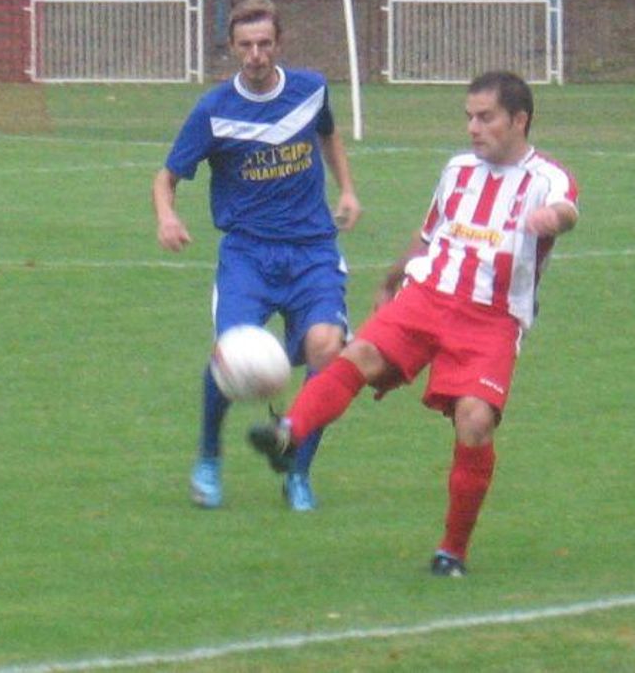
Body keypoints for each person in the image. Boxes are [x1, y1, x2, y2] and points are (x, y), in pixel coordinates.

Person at [248, 70, 579, 576]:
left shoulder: (547, 177)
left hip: (492, 319)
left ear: (519, 120)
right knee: (356, 354)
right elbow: (430, 235)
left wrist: (551, 220)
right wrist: (393, 278)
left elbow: (566, 210)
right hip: (426, 297)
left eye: (485, 117)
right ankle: (290, 433)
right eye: (469, 116)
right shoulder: (457, 170)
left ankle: (452, 551)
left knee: (475, 422)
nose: (473, 127)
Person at [152, 0, 361, 512]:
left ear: (279, 44)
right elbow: (167, 177)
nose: (256, 54)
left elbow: (328, 136)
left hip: (312, 249)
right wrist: (167, 215)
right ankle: (208, 457)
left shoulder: (311, 89)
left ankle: (297, 470)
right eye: (246, 45)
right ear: (232, 48)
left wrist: (348, 190)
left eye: (265, 43)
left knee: (327, 350)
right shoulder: (214, 111)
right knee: (233, 358)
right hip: (248, 254)